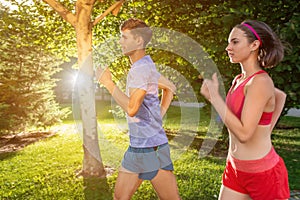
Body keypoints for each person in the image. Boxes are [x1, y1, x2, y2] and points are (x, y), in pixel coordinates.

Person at [200, 20, 290, 200]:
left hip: (264, 174)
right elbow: (280, 96)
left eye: (235, 42)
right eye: (228, 42)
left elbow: (244, 134)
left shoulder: (260, 82)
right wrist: (265, 130)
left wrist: (215, 98)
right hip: (235, 169)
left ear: (254, 45)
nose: (228, 47)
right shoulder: (239, 80)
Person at [96, 18, 180, 200]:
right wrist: (158, 115)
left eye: (124, 37)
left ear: (139, 41)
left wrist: (108, 84)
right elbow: (170, 87)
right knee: (120, 197)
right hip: (137, 147)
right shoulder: (145, 66)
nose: (120, 42)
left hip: (152, 149)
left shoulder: (140, 69)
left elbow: (132, 108)